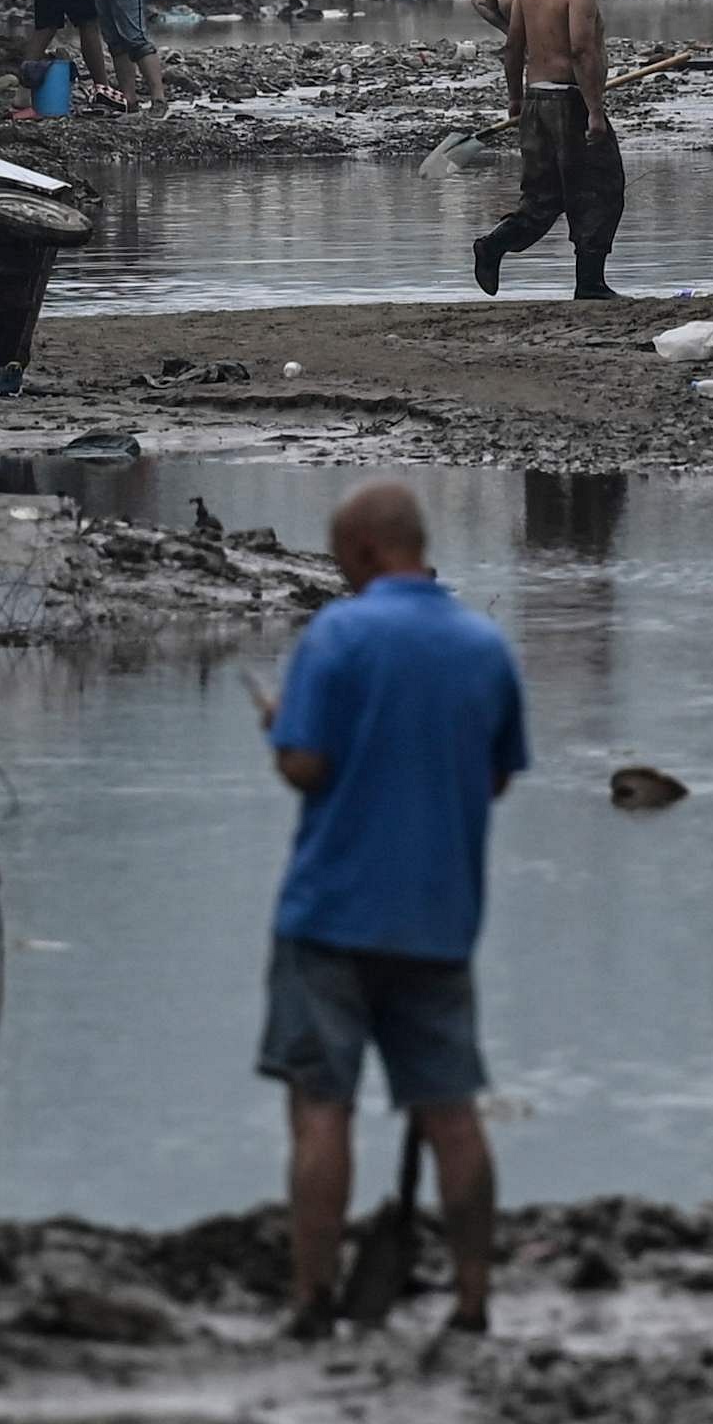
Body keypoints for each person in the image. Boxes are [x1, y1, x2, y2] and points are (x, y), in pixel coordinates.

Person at [256, 479, 528, 1341]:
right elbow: (493, 777)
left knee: (320, 1107)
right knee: (451, 1114)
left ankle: (312, 1299)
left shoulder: (339, 634)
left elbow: (306, 766)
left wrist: (277, 732)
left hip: (330, 914)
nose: (339, 579)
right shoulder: (484, 646)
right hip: (439, 919)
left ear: (369, 553)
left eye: (341, 562)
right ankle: (475, 1301)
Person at [470, 0, 623, 299]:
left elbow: (513, 48)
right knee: (600, 189)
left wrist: (516, 99)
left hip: (536, 102)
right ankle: (590, 283)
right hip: (569, 103)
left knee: (542, 198)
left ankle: (494, 244)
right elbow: (581, 50)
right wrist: (594, 111)